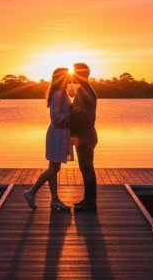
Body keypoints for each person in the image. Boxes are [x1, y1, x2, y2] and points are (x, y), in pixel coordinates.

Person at [23, 67, 73, 211]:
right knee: (54, 168)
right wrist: (72, 115)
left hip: (59, 133)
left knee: (53, 168)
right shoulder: (58, 94)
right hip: (57, 134)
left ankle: (55, 200)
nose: (70, 78)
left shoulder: (62, 93)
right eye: (67, 76)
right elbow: (56, 118)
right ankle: (31, 192)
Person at [69, 62, 97, 212]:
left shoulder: (84, 91)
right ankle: (87, 199)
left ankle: (90, 202)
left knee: (87, 169)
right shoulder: (85, 89)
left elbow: (83, 116)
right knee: (85, 169)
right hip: (85, 135)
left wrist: (68, 121)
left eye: (74, 72)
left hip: (85, 136)